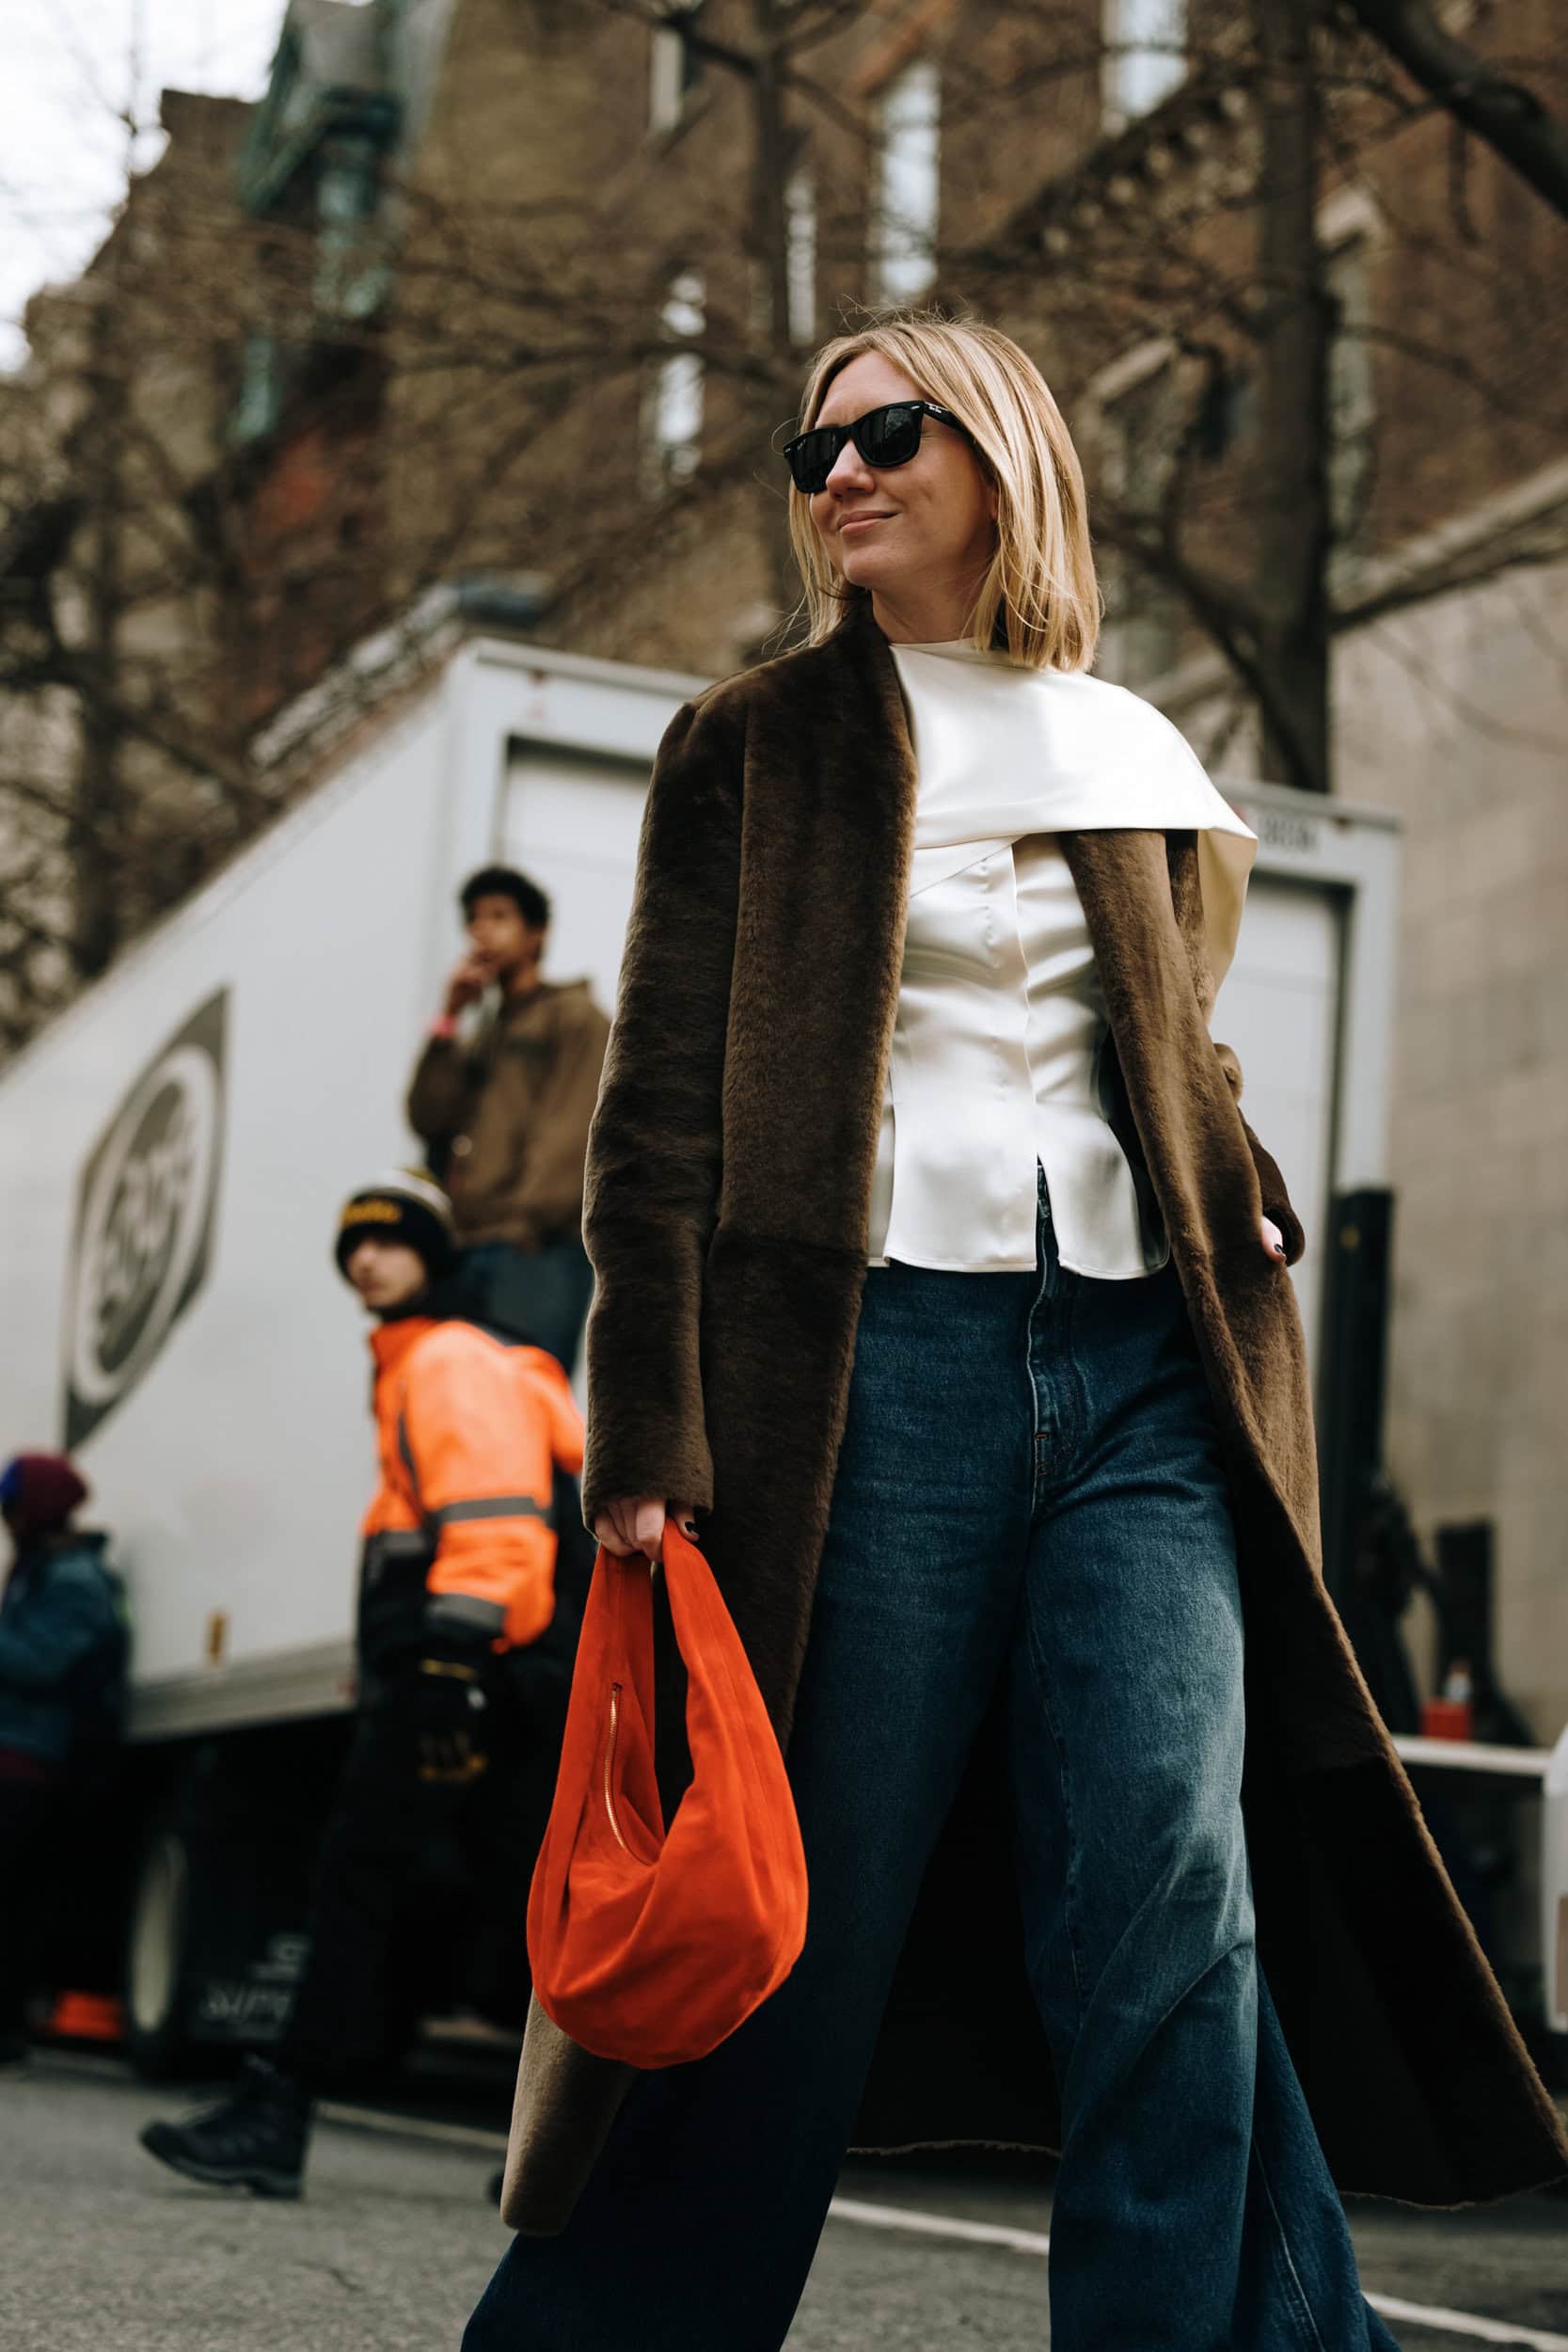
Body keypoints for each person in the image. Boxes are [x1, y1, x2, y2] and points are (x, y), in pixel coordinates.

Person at [467, 318, 1568, 2351]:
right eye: (812, 450)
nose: (839, 474)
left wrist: (1232, 1159)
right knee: (790, 1914)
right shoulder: (754, 742)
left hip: (1143, 1377)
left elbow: (1164, 1039)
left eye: (887, 432)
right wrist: (647, 1434)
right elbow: (658, 1113)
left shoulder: (1118, 749)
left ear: (1000, 455)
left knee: (1171, 1891)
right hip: (877, 1375)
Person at [140, 1173, 588, 2198]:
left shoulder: (447, 1359)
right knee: (522, 1900)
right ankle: (576, 2143)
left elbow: (496, 1521)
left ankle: (279, 2113)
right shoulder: (430, 1358)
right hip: (489, 1674)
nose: (367, 1261)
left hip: (467, 1672)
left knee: (360, 1878)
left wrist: (447, 1665)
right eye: (353, 1247)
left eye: (391, 1242)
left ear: (435, 1256)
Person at [406, 866, 610, 1376]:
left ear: (536, 933)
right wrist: (449, 1017)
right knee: (456, 1404)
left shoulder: (575, 1018)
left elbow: (572, 1133)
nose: (482, 931)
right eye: (474, 920)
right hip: (469, 1249)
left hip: (534, 1251)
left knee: (520, 1404)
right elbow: (428, 1117)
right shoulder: (484, 1032)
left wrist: (526, 1225)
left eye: (499, 917)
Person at [0, 1452, 128, 2062]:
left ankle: (7, 2023)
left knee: (15, 1898)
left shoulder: (75, 1581)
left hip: (33, 1761)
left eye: (12, 1509)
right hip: (24, 1756)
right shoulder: (46, 1570)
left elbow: (40, 1663)